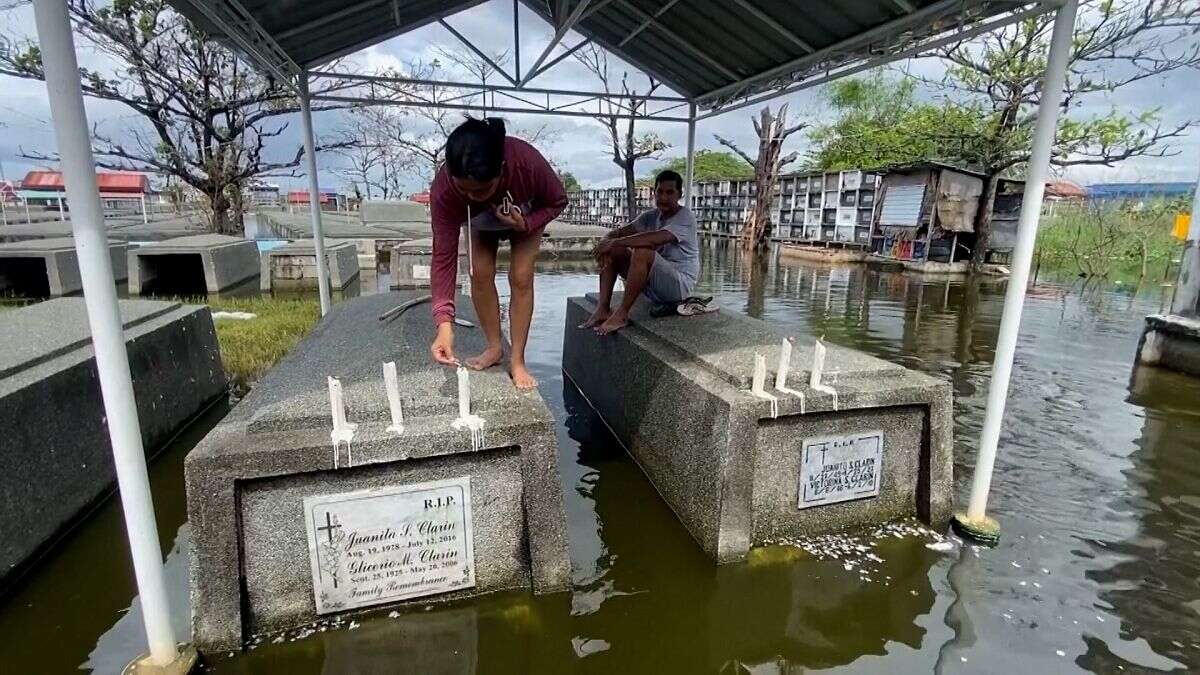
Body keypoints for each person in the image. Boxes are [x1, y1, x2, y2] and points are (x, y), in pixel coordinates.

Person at [428, 118, 568, 389]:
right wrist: (444, 324)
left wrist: (526, 223)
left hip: (524, 213)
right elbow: (443, 257)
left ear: (500, 169)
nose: (472, 195)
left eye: (481, 189)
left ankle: (517, 360)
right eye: (464, 189)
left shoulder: (527, 162)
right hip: (478, 222)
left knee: (521, 276)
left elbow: (558, 200)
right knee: (479, 272)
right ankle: (494, 347)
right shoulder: (444, 192)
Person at [580, 170, 700, 334]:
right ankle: (603, 308)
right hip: (652, 285)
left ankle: (622, 314)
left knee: (642, 250)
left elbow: (653, 239)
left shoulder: (686, 217)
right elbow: (620, 232)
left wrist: (613, 242)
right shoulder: (650, 216)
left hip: (678, 288)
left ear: (680, 194)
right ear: (654, 192)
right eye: (660, 192)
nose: (664, 197)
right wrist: (605, 242)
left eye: (670, 192)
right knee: (614, 249)